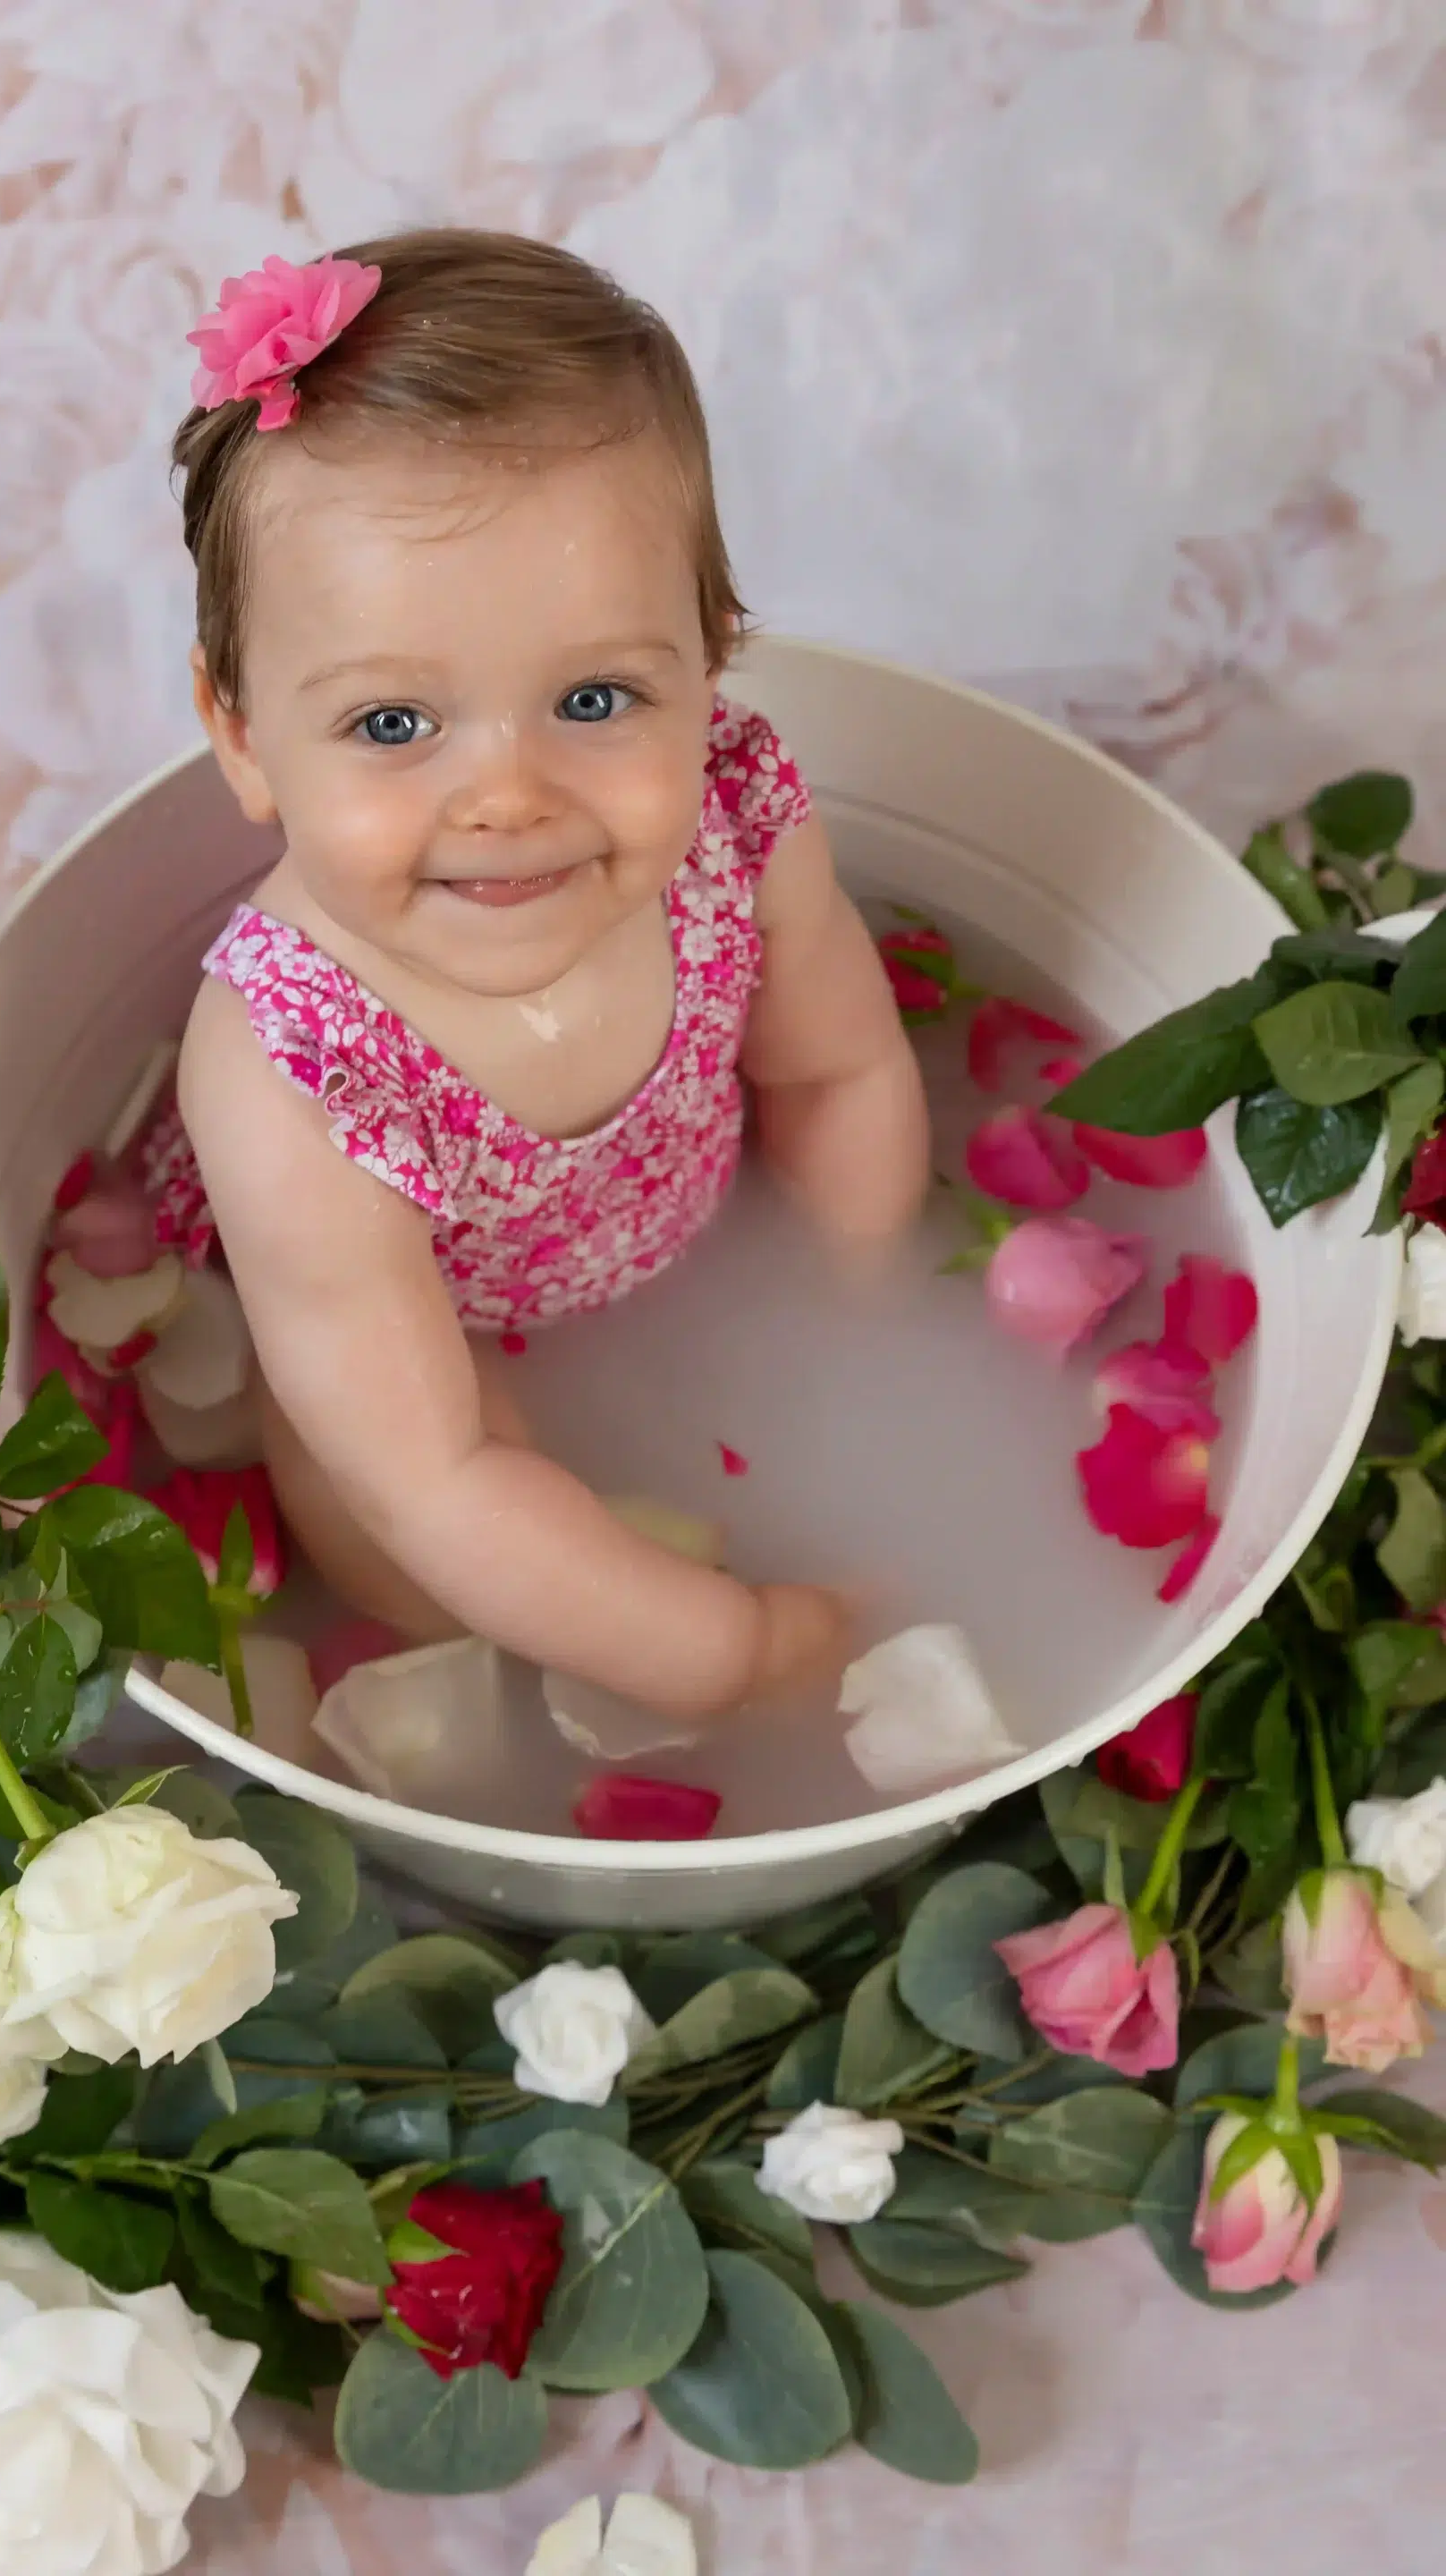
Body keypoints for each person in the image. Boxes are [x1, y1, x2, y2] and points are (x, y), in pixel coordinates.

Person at [152, 228, 928, 1724]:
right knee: (410, 1554)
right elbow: (436, 1474)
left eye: (593, 699)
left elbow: (837, 1069)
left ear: (713, 663)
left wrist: (858, 1303)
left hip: (679, 1251)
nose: (505, 797)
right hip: (415, 1397)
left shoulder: (734, 827)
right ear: (245, 737)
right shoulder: (288, 1074)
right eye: (391, 726)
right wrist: (734, 1651)